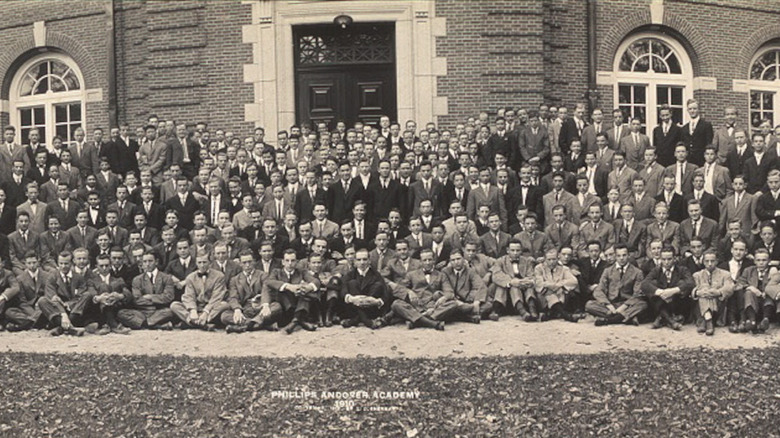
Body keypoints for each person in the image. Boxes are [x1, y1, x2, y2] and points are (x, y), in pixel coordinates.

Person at [586, 244, 648, 326]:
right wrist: (608, 305)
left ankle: (610, 320)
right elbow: (599, 290)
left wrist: (624, 306)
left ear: (629, 255)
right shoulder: (608, 271)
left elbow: (637, 294)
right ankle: (625, 317)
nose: (621, 258)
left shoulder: (637, 272)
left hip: (627, 304)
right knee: (589, 305)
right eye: (618, 256)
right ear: (615, 256)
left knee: (643, 304)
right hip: (611, 304)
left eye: (624, 255)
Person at [261, 249, 320, 334]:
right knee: (283, 291)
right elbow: (269, 282)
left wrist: (307, 287)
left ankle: (294, 322)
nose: (290, 263)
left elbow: (316, 281)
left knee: (306, 294)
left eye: (292, 261)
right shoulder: (277, 272)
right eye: (287, 260)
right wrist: (288, 286)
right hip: (285, 308)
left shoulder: (301, 272)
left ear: (296, 262)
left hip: (298, 305)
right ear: (283, 262)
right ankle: (301, 321)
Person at [37, 251, 92, 336]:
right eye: (61, 263)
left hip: (74, 310)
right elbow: (52, 297)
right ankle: (71, 328)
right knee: (42, 301)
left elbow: (80, 295)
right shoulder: (52, 277)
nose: (63, 266)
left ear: (71, 263)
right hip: (58, 310)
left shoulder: (78, 278)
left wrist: (69, 304)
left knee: (87, 295)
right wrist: (63, 314)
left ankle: (60, 328)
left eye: (66, 264)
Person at [116, 251, 176, 330]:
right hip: (142, 311)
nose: (147, 264)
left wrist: (150, 297)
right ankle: (154, 325)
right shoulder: (137, 279)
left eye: (150, 261)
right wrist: (157, 299)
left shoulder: (166, 278)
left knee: (170, 311)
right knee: (121, 313)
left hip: (159, 310)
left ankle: (144, 324)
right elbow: (137, 299)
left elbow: (169, 297)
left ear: (156, 262)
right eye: (145, 261)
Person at [641, 245, 695, 330]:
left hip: (677, 303)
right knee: (652, 285)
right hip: (660, 301)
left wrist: (672, 291)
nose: (666, 262)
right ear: (661, 259)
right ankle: (671, 321)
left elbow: (691, 283)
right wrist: (660, 292)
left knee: (682, 283)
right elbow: (644, 284)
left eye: (669, 259)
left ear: (674, 258)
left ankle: (661, 318)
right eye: (663, 259)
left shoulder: (682, 269)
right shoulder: (656, 270)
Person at [340, 248, 389, 329]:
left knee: (378, 285)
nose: (362, 262)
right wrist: (351, 298)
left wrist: (377, 301)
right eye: (359, 260)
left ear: (369, 261)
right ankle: (366, 321)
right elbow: (343, 290)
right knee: (352, 283)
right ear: (355, 262)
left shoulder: (376, 274)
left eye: (365, 259)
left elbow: (385, 293)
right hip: (354, 308)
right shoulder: (350, 274)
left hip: (371, 308)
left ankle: (356, 320)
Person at [491, 239, 537, 321]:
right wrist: (511, 282)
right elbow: (496, 275)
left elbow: (531, 275)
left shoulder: (527, 261)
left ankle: (532, 310)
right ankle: (522, 312)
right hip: (508, 290)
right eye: (512, 250)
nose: (515, 253)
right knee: (512, 287)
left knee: (530, 288)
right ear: (507, 250)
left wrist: (525, 281)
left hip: (524, 286)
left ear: (521, 251)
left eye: (518, 250)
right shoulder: (500, 261)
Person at [691, 250, 734, 336]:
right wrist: (697, 292)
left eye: (712, 261)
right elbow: (691, 288)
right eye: (707, 261)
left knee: (707, 291)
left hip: (718, 308)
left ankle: (705, 320)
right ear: (703, 262)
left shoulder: (725, 274)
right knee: (704, 290)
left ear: (717, 261)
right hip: (700, 308)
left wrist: (718, 292)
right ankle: (708, 321)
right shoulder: (697, 275)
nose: (710, 264)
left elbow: (730, 287)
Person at [533, 248, 581, 322]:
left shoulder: (564, 268)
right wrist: (552, 286)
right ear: (545, 259)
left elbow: (574, 281)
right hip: (544, 295)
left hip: (559, 294)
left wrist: (559, 285)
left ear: (558, 258)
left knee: (561, 293)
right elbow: (539, 283)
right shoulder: (539, 268)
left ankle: (551, 314)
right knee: (549, 294)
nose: (552, 262)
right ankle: (566, 315)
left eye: (554, 259)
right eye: (549, 259)